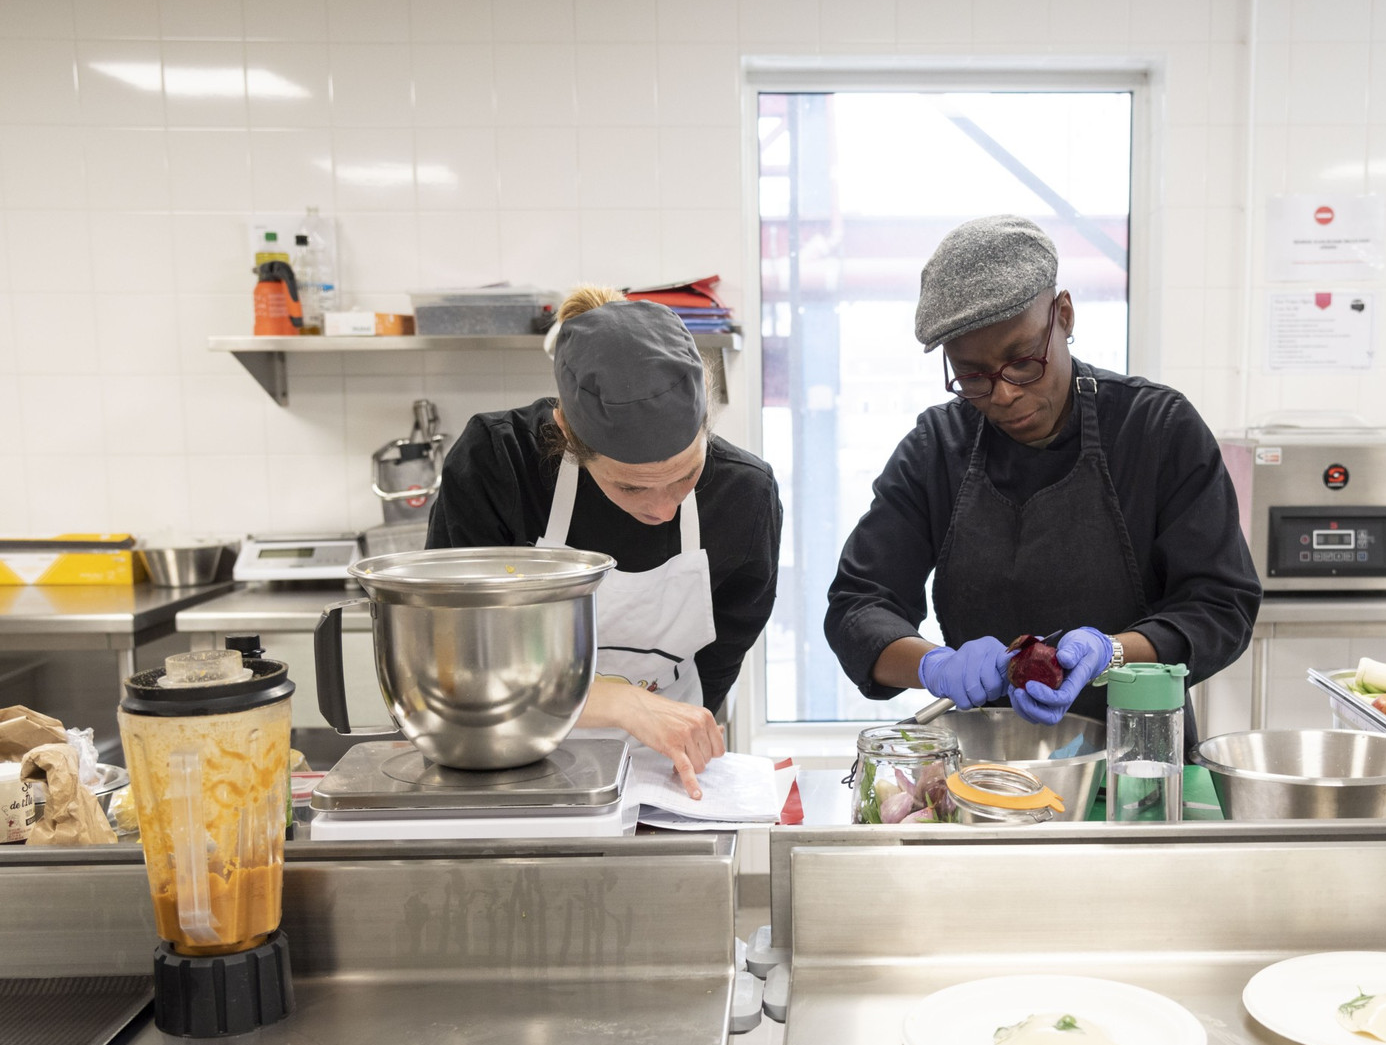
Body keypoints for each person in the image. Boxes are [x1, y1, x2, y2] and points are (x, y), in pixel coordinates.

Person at [824, 215, 1261, 738]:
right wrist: (932, 665)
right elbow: (858, 605)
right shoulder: (937, 449)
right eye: (972, 376)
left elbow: (1221, 606)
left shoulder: (1158, 430)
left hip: (1139, 763)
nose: (1003, 394)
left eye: (1023, 361)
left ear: (1064, 315)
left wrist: (1112, 652)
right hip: (988, 769)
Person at [426, 286, 782, 797]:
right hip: (504, 765)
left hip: (661, 776)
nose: (662, 509)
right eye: (630, 486)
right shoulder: (498, 466)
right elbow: (459, 665)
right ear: (566, 429)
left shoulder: (744, 497)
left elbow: (716, 662)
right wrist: (619, 702)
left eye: (685, 476)